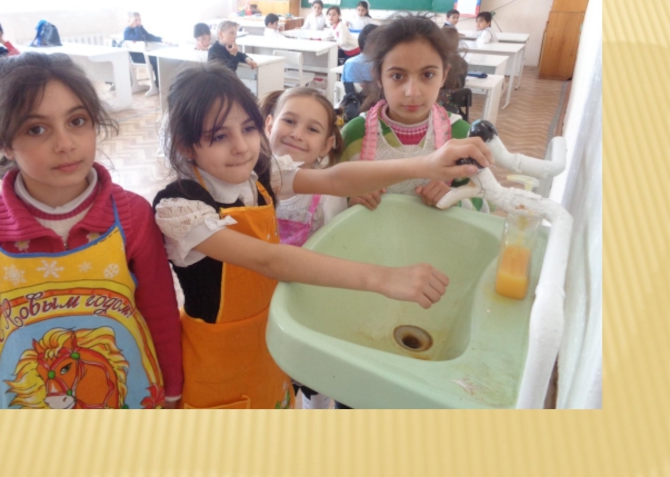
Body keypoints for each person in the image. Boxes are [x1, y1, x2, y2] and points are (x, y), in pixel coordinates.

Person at [152, 63, 492, 409]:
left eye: (248, 128)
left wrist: (425, 164)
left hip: (269, 338)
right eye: (219, 136)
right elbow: (270, 260)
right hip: (218, 360)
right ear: (185, 144)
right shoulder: (180, 208)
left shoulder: (259, 175)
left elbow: (335, 179)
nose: (241, 147)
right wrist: (383, 278)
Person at [0, 52, 183, 409]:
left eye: (77, 121)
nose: (65, 144)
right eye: (36, 129)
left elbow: (160, 314)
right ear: (4, 142)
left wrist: (173, 392)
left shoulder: (132, 216)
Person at [260, 87, 349, 410]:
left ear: (326, 145)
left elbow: (334, 254)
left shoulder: (328, 196)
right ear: (269, 124)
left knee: (312, 381)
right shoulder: (246, 182)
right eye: (289, 121)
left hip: (306, 309)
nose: (297, 134)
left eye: (312, 129)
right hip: (256, 303)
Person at [341, 14, 483, 212]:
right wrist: (350, 199)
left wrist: (455, 198)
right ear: (378, 76)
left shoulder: (461, 137)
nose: (412, 92)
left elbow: (484, 203)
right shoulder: (354, 134)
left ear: (444, 75)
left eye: (428, 75)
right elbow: (324, 200)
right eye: (397, 76)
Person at [123, 12, 163, 96]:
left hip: (144, 55)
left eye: (139, 20)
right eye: (135, 20)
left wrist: (160, 39)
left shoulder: (139, 28)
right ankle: (158, 84)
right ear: (129, 21)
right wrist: (137, 28)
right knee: (157, 60)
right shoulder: (127, 31)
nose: (138, 22)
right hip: (137, 58)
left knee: (158, 58)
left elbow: (148, 36)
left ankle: (159, 82)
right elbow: (138, 38)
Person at [341, 24, 379, 95]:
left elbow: (345, 87)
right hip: (378, 100)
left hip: (352, 100)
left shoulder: (349, 63)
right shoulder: (382, 64)